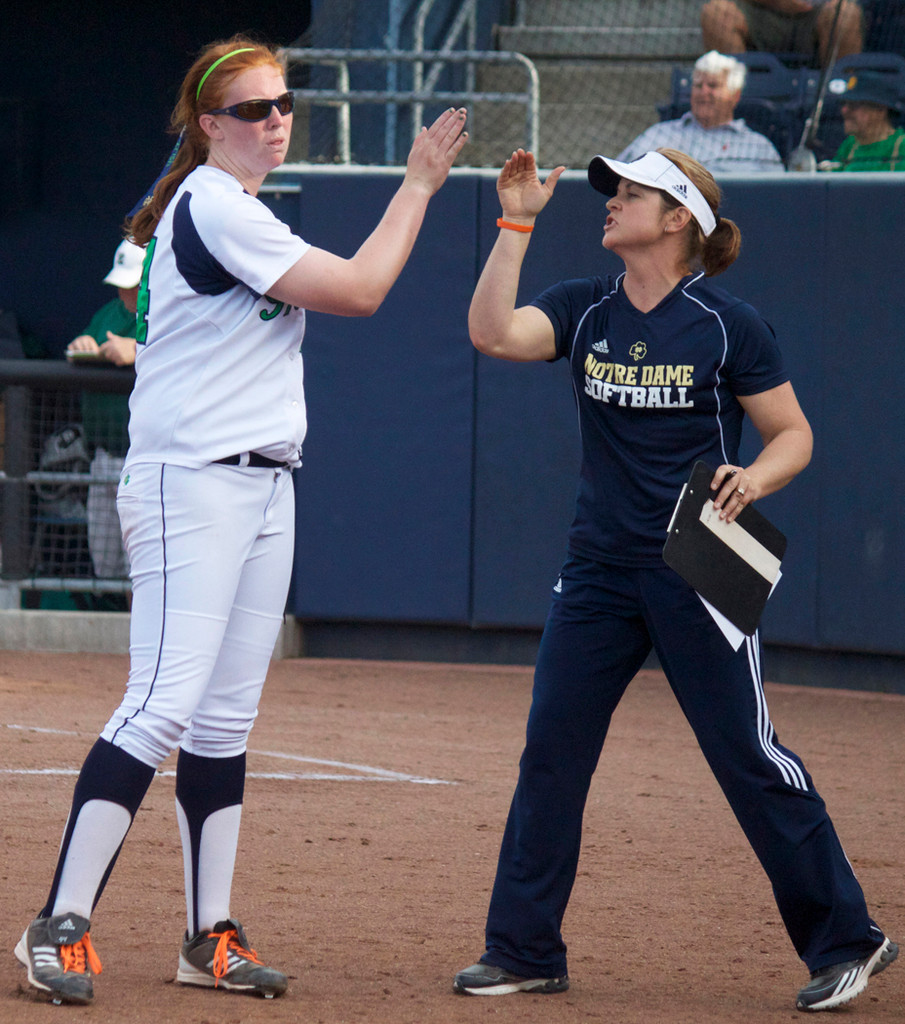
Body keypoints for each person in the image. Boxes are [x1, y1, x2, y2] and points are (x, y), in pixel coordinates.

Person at [14, 36, 467, 1006]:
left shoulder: (241, 209)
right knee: (162, 705)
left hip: (263, 486)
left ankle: (206, 935)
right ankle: (56, 924)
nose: (275, 118)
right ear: (209, 125)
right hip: (193, 483)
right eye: (253, 107)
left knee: (223, 720)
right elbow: (363, 289)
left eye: (282, 103)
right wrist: (420, 185)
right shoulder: (214, 203)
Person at [451, 145, 897, 1012]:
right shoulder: (584, 310)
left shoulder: (727, 323)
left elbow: (792, 434)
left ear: (677, 219)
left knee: (748, 756)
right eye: (612, 189)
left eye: (631, 191)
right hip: (597, 571)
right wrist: (514, 225)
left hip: (697, 565)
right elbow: (489, 332)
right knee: (550, 754)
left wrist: (755, 478)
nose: (610, 200)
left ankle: (849, 938)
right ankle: (523, 948)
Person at [66, 239, 143, 582]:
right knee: (107, 570)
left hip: (145, 462)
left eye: (134, 284)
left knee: (140, 570)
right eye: (122, 285)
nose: (126, 293)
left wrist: (140, 350)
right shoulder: (108, 314)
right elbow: (79, 346)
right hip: (104, 458)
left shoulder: (168, 313)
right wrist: (81, 346)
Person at [617, 51, 785, 173]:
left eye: (713, 86)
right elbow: (620, 175)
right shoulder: (659, 134)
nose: (703, 92)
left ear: (735, 95)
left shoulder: (758, 147)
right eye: (698, 86)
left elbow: (779, 199)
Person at [700, 0, 863, 68]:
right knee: (716, 13)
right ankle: (734, 93)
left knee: (845, 13)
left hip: (816, 15)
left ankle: (840, 92)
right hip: (761, 12)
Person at [819, 70, 905, 169]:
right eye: (843, 104)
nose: (844, 110)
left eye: (854, 105)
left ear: (881, 110)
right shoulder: (849, 146)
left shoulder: (901, 146)